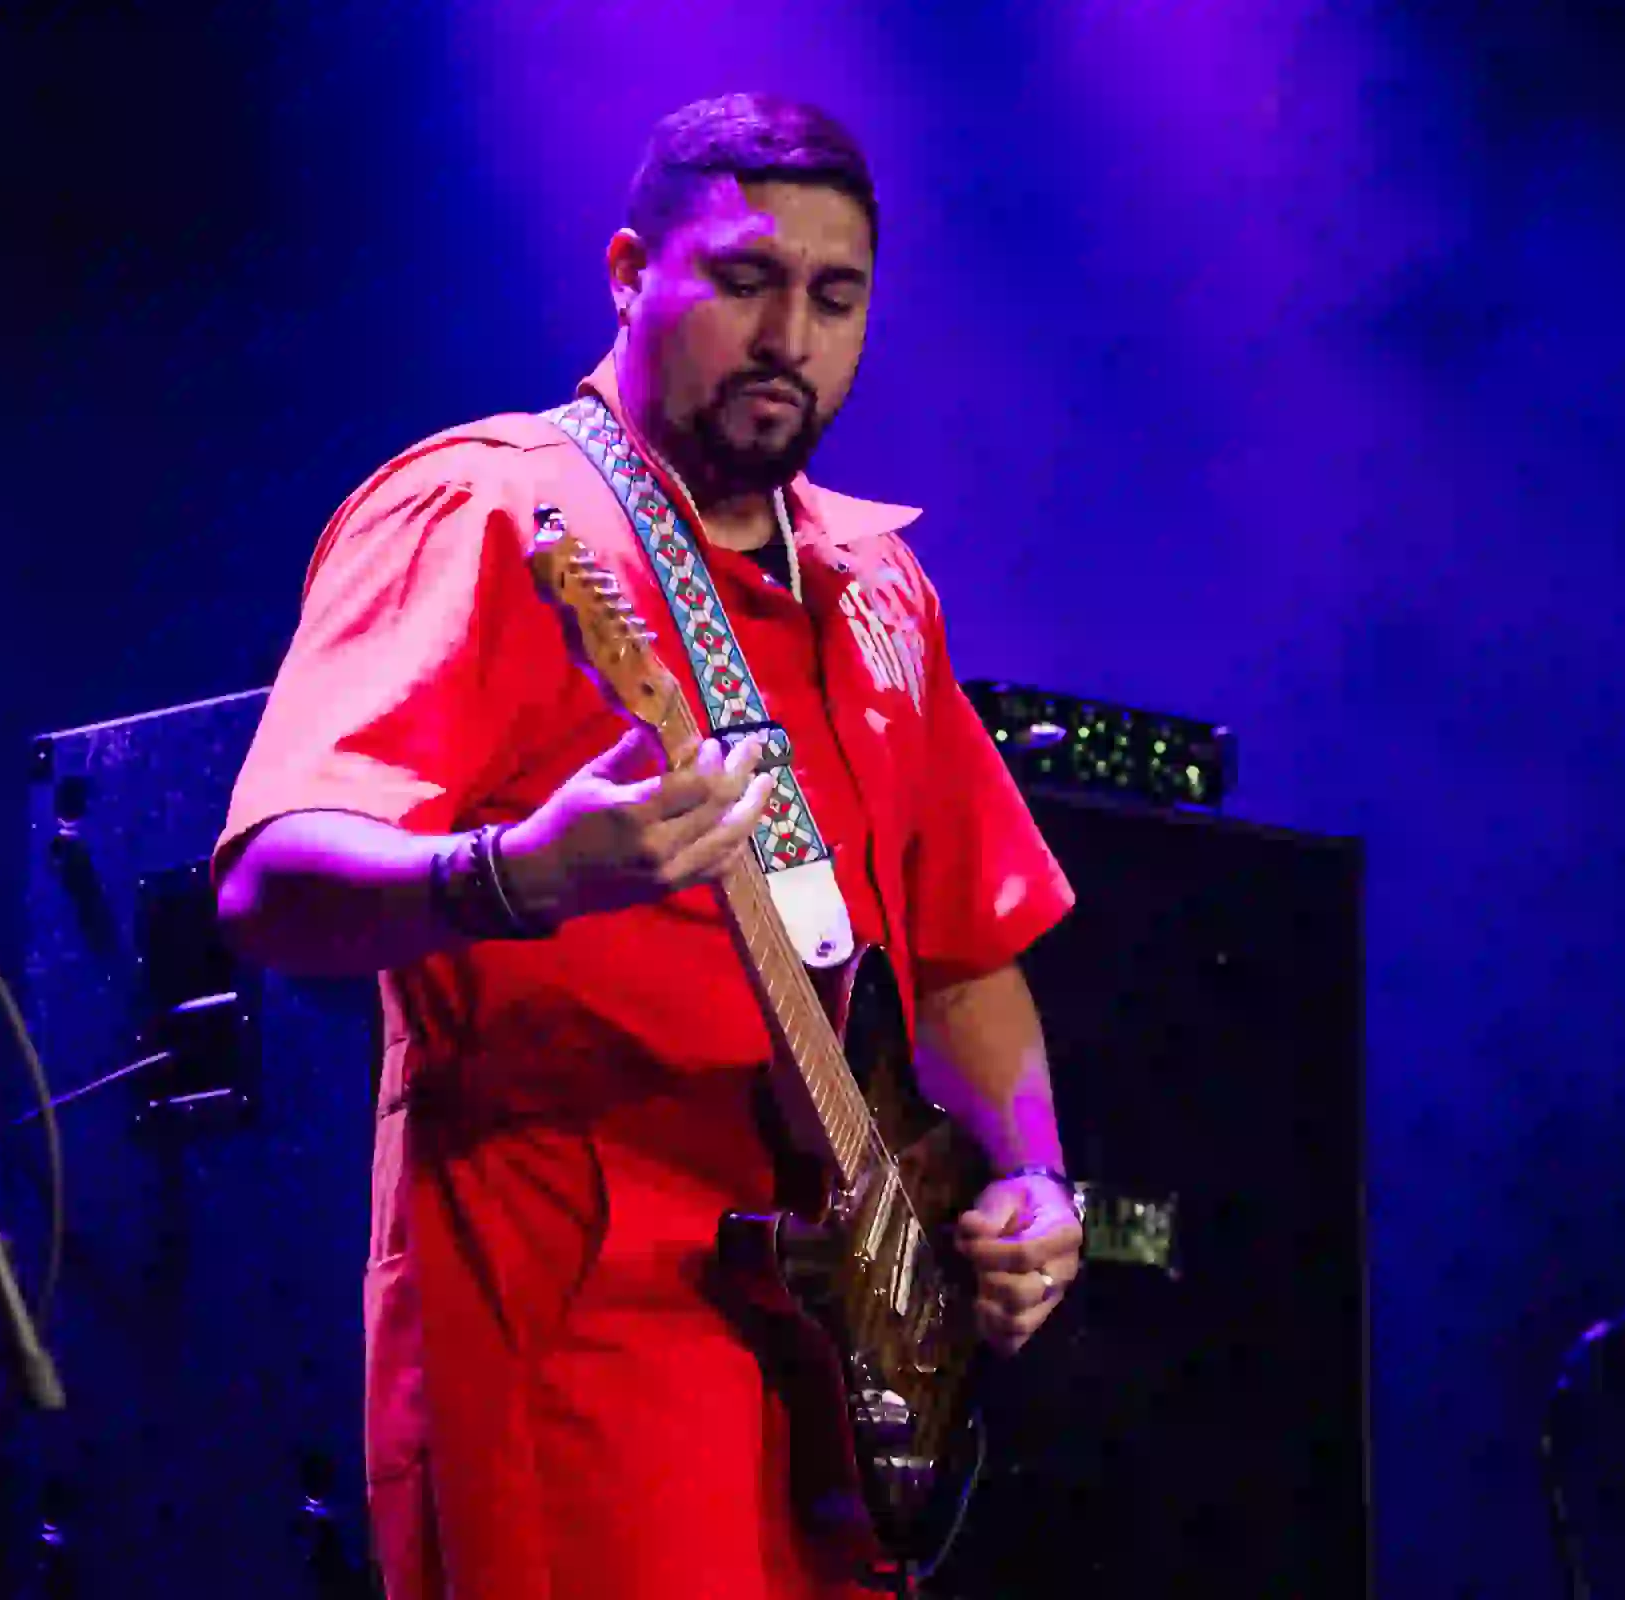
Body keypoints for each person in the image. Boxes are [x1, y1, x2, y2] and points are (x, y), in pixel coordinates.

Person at [214, 92, 1084, 1600]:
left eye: (835, 298)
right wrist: (517, 874)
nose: (789, 338)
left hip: (848, 1369)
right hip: (580, 1338)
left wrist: (1035, 1179)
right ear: (629, 273)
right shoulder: (487, 507)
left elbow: (963, 950)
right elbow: (267, 879)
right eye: (745, 281)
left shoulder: (880, 582)